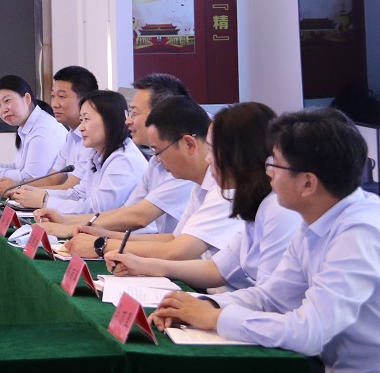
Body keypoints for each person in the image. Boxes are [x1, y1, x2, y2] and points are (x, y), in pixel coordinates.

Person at [152, 108, 380, 373]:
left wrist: (216, 318)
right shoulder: (317, 221)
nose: (267, 170)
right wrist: (205, 306)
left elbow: (309, 331)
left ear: (308, 182)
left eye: (275, 163)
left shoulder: (360, 233)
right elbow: (271, 296)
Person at [106, 102, 301, 289]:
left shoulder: (277, 208)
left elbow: (267, 298)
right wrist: (142, 265)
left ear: (240, 155)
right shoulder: (255, 202)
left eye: (213, 150)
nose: (208, 159)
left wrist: (106, 244)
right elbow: (218, 268)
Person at [72, 95, 242, 261]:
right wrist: (107, 235)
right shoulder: (198, 184)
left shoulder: (224, 189)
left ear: (189, 144)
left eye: (158, 151)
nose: (158, 159)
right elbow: (174, 238)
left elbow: (176, 250)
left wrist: (103, 244)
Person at [30, 73, 193, 238]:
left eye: (134, 114)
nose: (128, 121)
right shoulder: (155, 162)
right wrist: (67, 221)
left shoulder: (177, 165)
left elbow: (139, 217)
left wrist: (70, 225)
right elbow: (127, 211)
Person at [16, 90, 145, 213]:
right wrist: (39, 193)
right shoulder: (96, 154)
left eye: (86, 119)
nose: (81, 127)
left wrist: (44, 201)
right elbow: (78, 194)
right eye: (81, 120)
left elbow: (95, 210)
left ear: (109, 121)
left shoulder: (123, 160)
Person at [0, 65, 98, 195]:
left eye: (61, 96)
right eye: (53, 96)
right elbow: (52, 179)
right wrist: (15, 186)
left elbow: (71, 189)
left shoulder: (92, 139)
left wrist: (17, 189)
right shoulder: (71, 137)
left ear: (85, 101)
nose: (54, 104)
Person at [0, 75, 65, 186]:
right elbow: (19, 168)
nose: (3, 110)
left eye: (7, 101)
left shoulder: (42, 130)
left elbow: (31, 178)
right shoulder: (24, 128)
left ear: (27, 99)